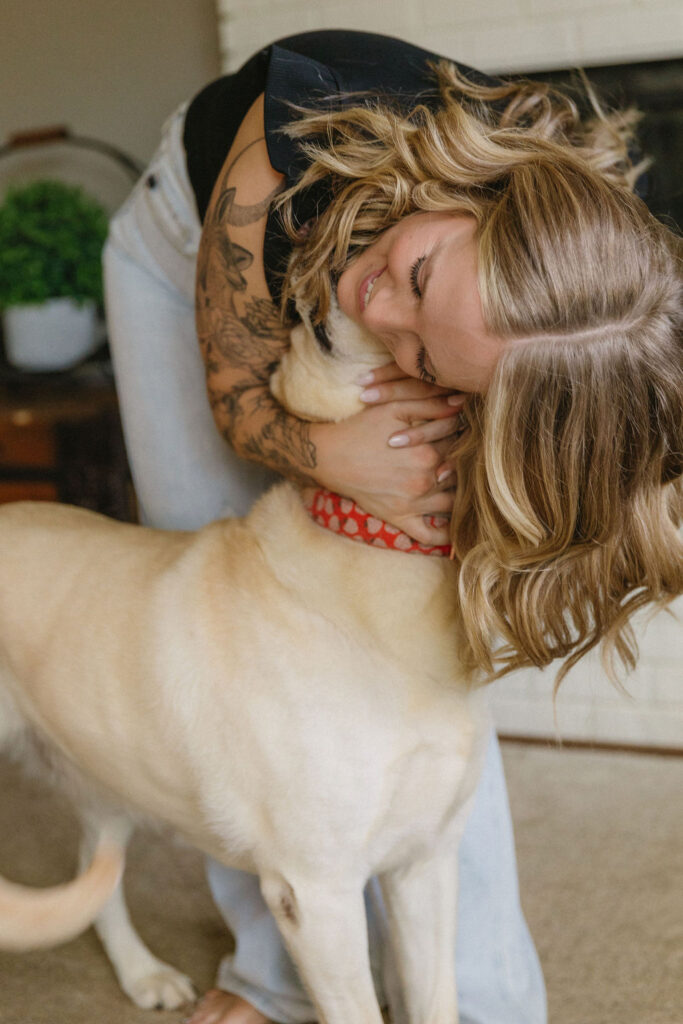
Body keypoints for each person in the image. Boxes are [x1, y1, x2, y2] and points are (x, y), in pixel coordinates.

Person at [103, 29, 682, 1024]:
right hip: (178, 249)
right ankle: (271, 976)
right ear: (475, 199)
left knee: (425, 666)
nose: (380, 310)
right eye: (417, 280)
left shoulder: (569, 320)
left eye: (428, 360)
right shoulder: (311, 119)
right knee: (221, 637)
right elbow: (240, 401)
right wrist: (335, 455)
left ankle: (490, 1002)